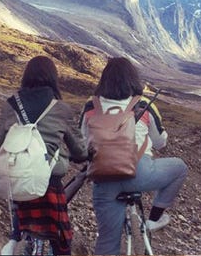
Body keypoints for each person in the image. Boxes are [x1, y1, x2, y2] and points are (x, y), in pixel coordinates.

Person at [80, 57, 188, 255]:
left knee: (106, 242)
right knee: (180, 167)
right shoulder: (144, 104)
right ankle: (155, 218)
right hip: (139, 173)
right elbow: (160, 142)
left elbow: (84, 140)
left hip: (104, 181)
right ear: (133, 79)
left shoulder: (90, 106)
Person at [0, 55, 89, 255]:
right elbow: (80, 151)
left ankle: (15, 239)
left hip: (16, 181)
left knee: (20, 228)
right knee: (60, 243)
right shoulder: (60, 109)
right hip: (48, 184)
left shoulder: (11, 105)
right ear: (53, 78)